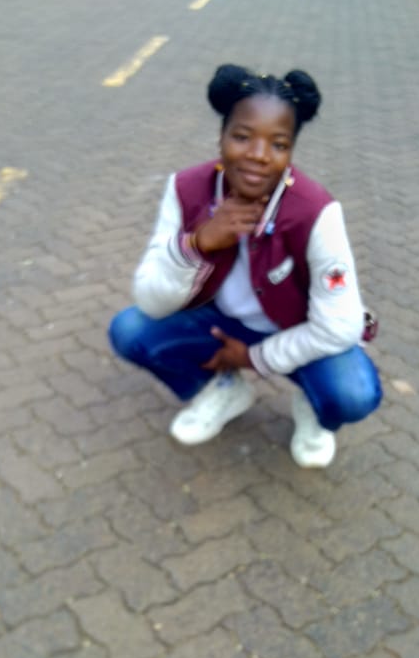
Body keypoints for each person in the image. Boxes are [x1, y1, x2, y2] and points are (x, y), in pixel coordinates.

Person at [108, 64, 382, 468]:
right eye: (241, 136)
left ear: (291, 151)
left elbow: (340, 326)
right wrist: (197, 244)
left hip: (298, 331)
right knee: (130, 329)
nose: (258, 155)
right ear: (221, 136)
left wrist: (254, 358)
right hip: (220, 325)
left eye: (278, 144)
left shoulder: (316, 212)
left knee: (352, 393)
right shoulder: (185, 189)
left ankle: (314, 406)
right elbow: (150, 299)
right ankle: (222, 390)